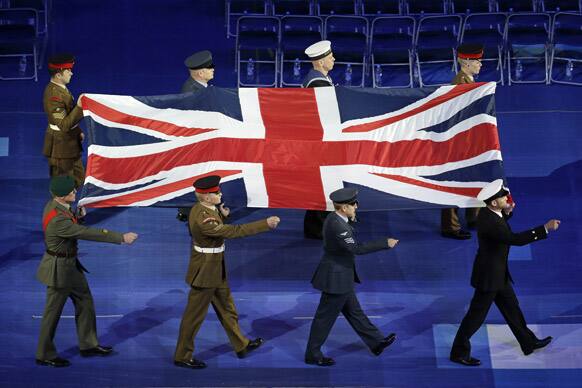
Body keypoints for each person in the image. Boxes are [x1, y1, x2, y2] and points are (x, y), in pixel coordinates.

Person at [174, 175, 281, 369]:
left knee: (227, 308)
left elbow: (216, 223)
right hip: (205, 273)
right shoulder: (203, 218)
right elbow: (233, 231)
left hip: (215, 268)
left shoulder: (205, 209)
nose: (220, 194)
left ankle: (241, 345)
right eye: (216, 193)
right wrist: (265, 224)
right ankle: (182, 355)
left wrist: (222, 215)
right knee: (193, 317)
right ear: (206, 197)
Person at [450, 179, 560, 366]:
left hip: (497, 274)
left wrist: (507, 213)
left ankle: (529, 342)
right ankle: (459, 353)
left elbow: (499, 226)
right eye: (502, 196)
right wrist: (544, 229)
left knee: (513, 309)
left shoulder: (488, 213)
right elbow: (513, 239)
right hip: (489, 277)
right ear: (494, 203)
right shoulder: (491, 222)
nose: (506, 197)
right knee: (475, 317)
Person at [35, 176, 139, 367]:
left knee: (85, 301)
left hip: (69, 266)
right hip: (59, 271)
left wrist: (78, 217)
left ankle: (88, 344)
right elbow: (85, 233)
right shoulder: (58, 219)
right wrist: (120, 237)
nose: (75, 193)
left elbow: (71, 225)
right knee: (52, 313)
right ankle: (44, 354)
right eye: (72, 192)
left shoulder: (56, 206)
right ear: (61, 196)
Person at [304, 187, 399, 366]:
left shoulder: (336, 218)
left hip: (341, 276)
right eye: (353, 204)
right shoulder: (338, 225)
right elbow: (357, 248)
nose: (356, 206)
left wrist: (352, 220)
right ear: (343, 208)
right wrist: (384, 243)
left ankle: (376, 342)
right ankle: (312, 353)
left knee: (354, 312)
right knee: (324, 318)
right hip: (336, 278)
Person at [441, 43, 484, 240]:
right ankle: (450, 226)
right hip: (459, 143)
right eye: (477, 60)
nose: (480, 64)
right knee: (454, 183)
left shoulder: (468, 80)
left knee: (473, 177)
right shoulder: (461, 84)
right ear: (466, 62)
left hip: (468, 140)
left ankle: (473, 216)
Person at [177, 50, 216, 223]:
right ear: (200, 73)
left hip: (204, 140)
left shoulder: (201, 87)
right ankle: (191, 212)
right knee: (196, 176)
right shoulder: (191, 92)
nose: (213, 70)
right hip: (197, 142)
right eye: (210, 68)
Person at [302, 40, 335, 239]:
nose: (334, 59)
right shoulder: (319, 83)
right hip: (319, 140)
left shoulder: (318, 78)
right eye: (330, 57)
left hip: (318, 139)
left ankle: (318, 224)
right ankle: (318, 226)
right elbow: (326, 113)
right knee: (323, 183)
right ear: (321, 61)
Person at [42, 54, 86, 189]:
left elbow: (68, 113)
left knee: (78, 177)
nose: (71, 73)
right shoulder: (53, 96)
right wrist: (79, 107)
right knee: (63, 184)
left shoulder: (62, 89)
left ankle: (70, 206)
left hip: (69, 143)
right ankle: (62, 209)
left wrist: (78, 131)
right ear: (58, 75)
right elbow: (64, 124)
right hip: (60, 148)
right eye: (68, 71)